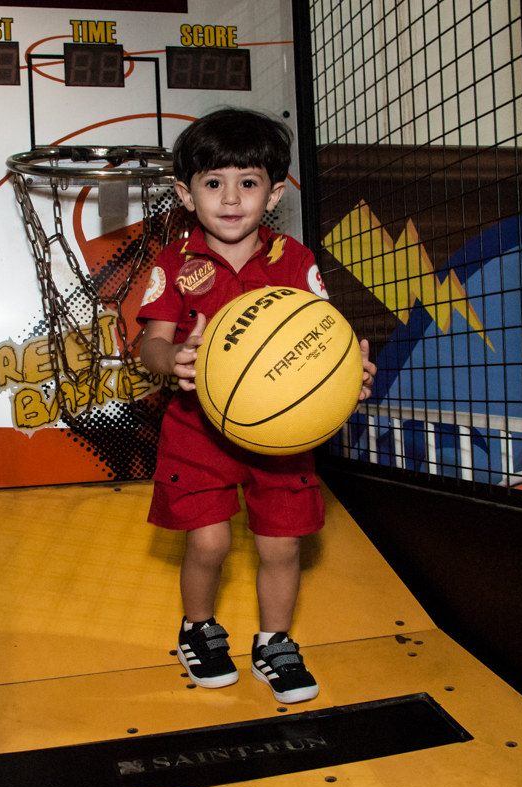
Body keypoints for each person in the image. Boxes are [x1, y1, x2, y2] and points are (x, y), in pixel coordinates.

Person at [138, 108, 375, 704]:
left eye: (248, 182)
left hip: (282, 438)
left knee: (282, 545)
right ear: (185, 194)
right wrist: (174, 360)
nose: (231, 198)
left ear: (274, 194)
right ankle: (199, 628)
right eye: (213, 182)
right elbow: (150, 345)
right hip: (196, 432)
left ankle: (275, 642)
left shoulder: (294, 261)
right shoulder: (173, 264)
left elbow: (324, 340)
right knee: (211, 543)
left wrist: (348, 376)